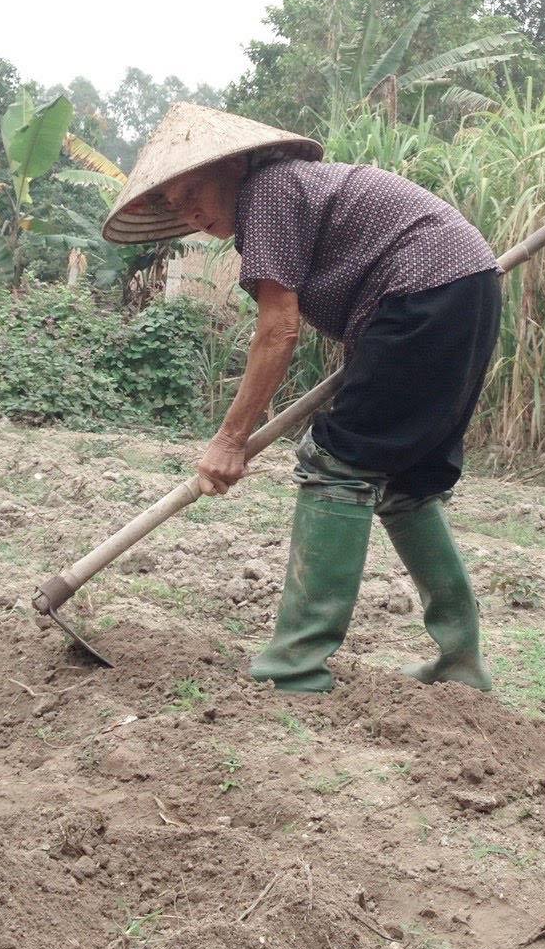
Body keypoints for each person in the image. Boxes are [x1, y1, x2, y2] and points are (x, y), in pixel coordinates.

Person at [102, 103, 502, 694]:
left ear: (231, 167)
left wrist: (230, 438)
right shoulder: (289, 191)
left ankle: (297, 662)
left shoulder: (265, 190)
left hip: (422, 292)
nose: (187, 210)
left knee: (337, 464)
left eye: (191, 190)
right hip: (462, 288)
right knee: (408, 483)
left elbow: (278, 328)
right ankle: (460, 660)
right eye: (173, 204)